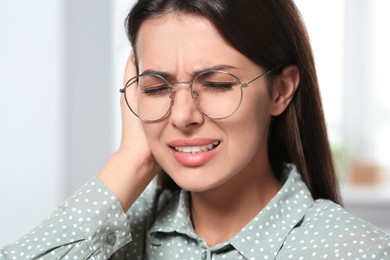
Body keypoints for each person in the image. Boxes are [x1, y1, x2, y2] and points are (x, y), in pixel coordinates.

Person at [1, 0, 390, 259]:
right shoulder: (114, 238)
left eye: (217, 84)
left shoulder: (349, 248)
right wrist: (131, 161)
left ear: (280, 91)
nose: (183, 115)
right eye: (156, 88)